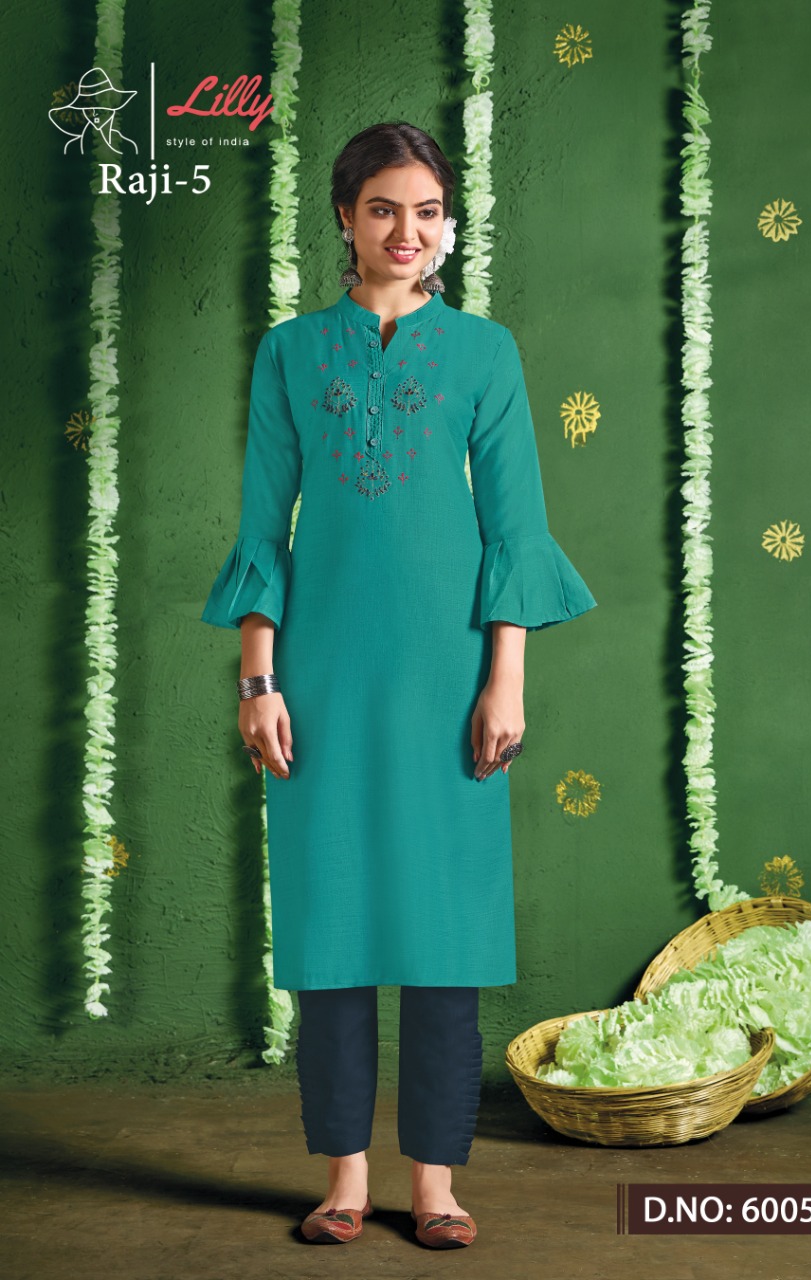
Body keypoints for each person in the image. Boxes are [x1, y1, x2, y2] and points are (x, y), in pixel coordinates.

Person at [201, 121, 597, 1249]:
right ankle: (342, 1176)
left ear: (448, 222)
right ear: (345, 217)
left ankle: (433, 1183)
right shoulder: (291, 352)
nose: (406, 231)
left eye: (426, 211)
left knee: (443, 933)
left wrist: (504, 679)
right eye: (383, 208)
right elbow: (262, 532)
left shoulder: (484, 352)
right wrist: (258, 678)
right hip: (322, 675)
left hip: (449, 675)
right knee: (329, 921)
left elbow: (514, 530)